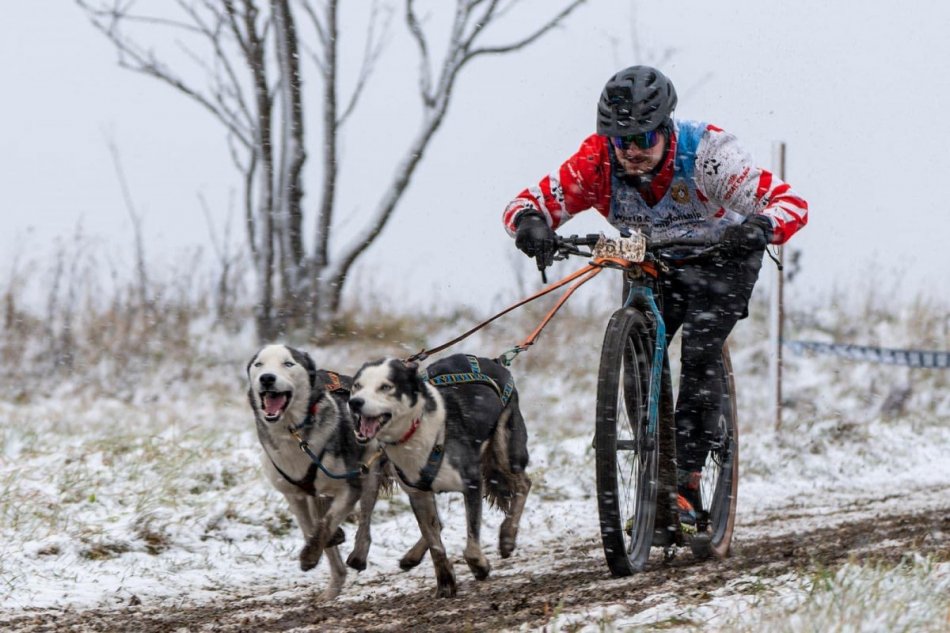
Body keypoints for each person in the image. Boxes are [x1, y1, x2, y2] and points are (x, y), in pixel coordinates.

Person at [502, 65, 807, 533]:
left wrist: (759, 227)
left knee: (702, 351)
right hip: (652, 261)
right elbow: (525, 204)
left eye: (644, 138)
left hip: (721, 257)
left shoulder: (709, 155)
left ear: (666, 128)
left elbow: (791, 204)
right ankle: (654, 463)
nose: (633, 152)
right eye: (622, 141)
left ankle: (685, 481)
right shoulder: (596, 162)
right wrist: (531, 226)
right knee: (640, 357)